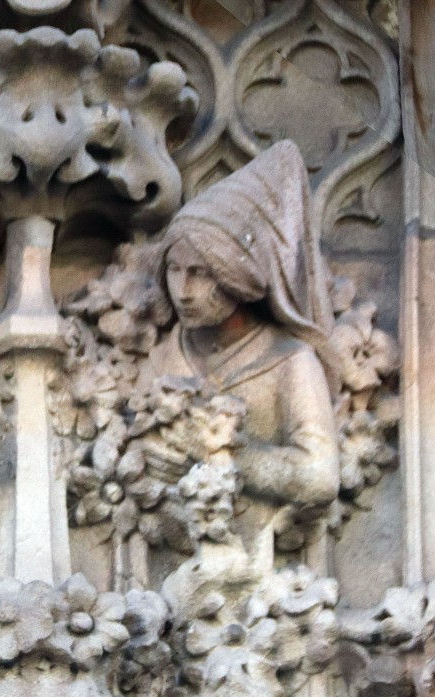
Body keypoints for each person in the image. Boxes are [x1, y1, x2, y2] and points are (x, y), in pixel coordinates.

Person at [139, 141, 340, 549]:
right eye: (174, 269)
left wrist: (223, 455)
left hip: (259, 556)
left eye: (200, 273)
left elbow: (320, 475)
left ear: (239, 278)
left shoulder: (291, 361)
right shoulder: (164, 356)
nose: (183, 291)